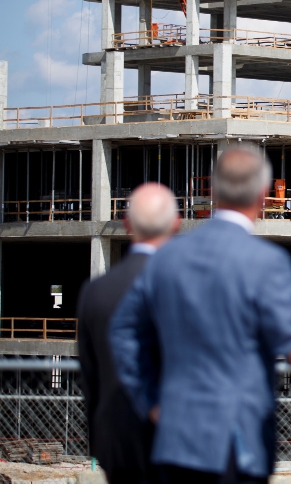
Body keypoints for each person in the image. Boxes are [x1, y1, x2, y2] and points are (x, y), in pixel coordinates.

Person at [110, 145, 291, 484]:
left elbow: (123, 332)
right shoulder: (268, 262)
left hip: (175, 439)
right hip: (239, 442)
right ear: (264, 195)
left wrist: (149, 400)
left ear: (214, 191)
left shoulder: (166, 257)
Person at [78, 183, 180, 484]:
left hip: (117, 441)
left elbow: (90, 376)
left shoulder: (95, 292)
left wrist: (99, 440)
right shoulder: (191, 288)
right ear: (176, 225)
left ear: (126, 224)